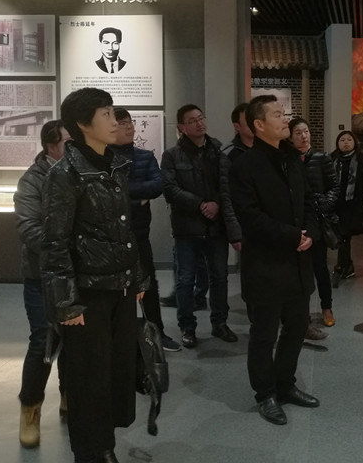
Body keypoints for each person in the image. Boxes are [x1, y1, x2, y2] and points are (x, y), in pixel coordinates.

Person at [40, 87, 147, 463]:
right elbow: (54, 242)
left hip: (119, 287)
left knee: (116, 371)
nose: (115, 120)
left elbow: (124, 228)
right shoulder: (65, 174)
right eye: (106, 114)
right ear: (83, 124)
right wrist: (66, 303)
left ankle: (105, 445)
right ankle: (90, 452)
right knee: (89, 378)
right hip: (87, 293)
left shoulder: (114, 164)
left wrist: (136, 278)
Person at [228, 94, 320, 426]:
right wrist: (293, 236)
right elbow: (250, 217)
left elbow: (309, 202)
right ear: (259, 124)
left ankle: (285, 385)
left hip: (297, 263)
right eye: (279, 114)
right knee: (264, 334)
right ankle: (265, 393)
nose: (286, 119)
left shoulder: (292, 159)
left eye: (285, 113)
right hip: (266, 265)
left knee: (296, 328)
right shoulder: (243, 166)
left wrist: (310, 233)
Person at [161, 104, 241, 348]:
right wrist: (199, 204)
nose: (199, 123)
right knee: (185, 280)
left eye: (201, 118)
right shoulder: (172, 156)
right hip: (187, 228)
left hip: (215, 227)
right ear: (182, 127)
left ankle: (220, 323)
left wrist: (215, 204)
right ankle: (187, 327)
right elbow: (169, 189)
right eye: (192, 120)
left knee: (219, 277)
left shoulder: (218, 152)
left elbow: (227, 186)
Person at [13, 119, 70, 448]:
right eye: (67, 143)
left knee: (75, 340)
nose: (73, 149)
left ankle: (69, 396)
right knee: (43, 342)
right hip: (42, 275)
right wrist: (63, 253)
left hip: (75, 275)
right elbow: (29, 228)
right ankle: (30, 409)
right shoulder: (33, 180)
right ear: (51, 147)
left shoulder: (79, 174)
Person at [109, 108, 180, 350]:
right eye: (122, 123)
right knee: (118, 289)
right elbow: (108, 195)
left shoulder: (144, 156)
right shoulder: (104, 158)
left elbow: (158, 185)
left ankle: (157, 333)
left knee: (149, 285)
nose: (129, 126)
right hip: (112, 238)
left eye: (130, 122)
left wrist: (127, 193)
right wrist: (137, 197)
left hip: (140, 234)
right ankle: (123, 338)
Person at [288, 117, 338, 332]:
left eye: (306, 131)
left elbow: (335, 186)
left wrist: (325, 203)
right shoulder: (288, 160)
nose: (303, 136)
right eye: (298, 133)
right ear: (290, 138)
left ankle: (327, 308)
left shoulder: (322, 158)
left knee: (320, 267)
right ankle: (303, 313)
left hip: (317, 221)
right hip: (296, 223)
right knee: (300, 271)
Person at [330, 130, 363, 284]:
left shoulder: (362, 160)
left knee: (344, 235)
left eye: (349, 140)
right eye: (342, 140)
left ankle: (342, 266)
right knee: (342, 236)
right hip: (336, 204)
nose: (346, 142)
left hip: (353, 205)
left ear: (354, 142)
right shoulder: (332, 159)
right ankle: (346, 266)